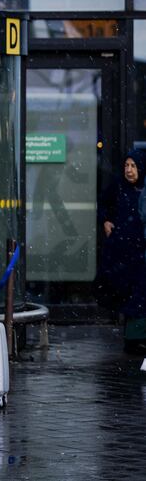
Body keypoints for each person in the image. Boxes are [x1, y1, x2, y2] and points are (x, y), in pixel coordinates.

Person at [96, 149, 146, 352]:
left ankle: (135, 338)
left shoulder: (143, 190)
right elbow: (104, 204)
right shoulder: (118, 187)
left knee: (139, 294)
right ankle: (133, 339)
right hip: (124, 251)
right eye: (127, 165)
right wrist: (106, 221)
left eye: (133, 166)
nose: (129, 170)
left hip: (140, 250)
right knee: (131, 294)